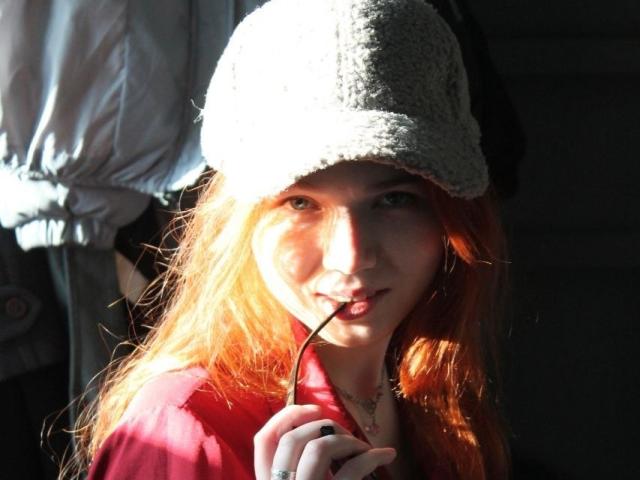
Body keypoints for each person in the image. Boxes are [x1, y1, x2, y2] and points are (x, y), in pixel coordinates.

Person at [71, 0, 510, 478]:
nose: (351, 258)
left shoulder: (430, 390)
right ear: (239, 224)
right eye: (300, 203)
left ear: (451, 215)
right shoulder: (184, 429)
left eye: (394, 200)